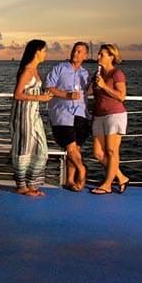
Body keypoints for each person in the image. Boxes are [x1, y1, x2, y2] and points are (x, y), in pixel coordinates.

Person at [46, 42, 91, 192]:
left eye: (79, 52)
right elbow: (49, 87)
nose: (75, 53)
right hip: (62, 114)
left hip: (81, 113)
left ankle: (70, 181)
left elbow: (88, 93)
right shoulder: (59, 68)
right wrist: (66, 95)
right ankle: (82, 170)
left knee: (75, 149)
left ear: (85, 55)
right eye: (74, 50)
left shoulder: (85, 74)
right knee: (71, 149)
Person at [10, 39, 53, 196]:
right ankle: (22, 186)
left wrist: (42, 96)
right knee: (24, 149)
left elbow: (31, 92)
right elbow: (18, 94)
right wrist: (40, 98)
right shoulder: (28, 70)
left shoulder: (35, 70)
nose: (46, 54)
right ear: (37, 52)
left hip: (33, 115)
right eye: (44, 51)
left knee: (41, 150)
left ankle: (31, 184)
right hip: (24, 116)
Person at [90, 44, 130, 194]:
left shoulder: (117, 73)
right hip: (99, 115)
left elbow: (121, 96)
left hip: (115, 114)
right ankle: (121, 177)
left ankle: (107, 185)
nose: (98, 57)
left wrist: (103, 86)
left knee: (112, 151)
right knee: (98, 153)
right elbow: (90, 93)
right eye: (98, 54)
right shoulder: (98, 75)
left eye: (101, 54)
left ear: (111, 56)